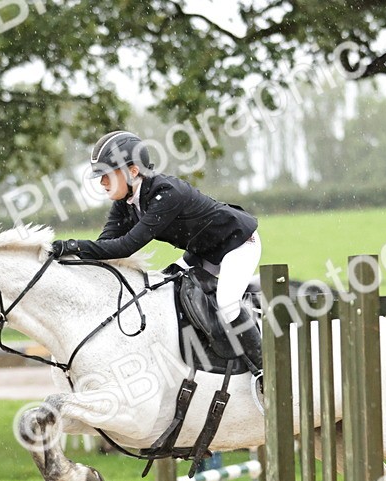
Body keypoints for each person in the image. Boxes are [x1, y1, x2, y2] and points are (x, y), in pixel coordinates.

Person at [50, 131, 263, 381]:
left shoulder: (166, 194)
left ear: (132, 171)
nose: (102, 183)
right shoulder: (125, 202)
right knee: (163, 290)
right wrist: (71, 259)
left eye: (107, 174)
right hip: (202, 253)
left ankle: (265, 370)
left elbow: (126, 247)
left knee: (227, 305)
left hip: (238, 243)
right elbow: (105, 244)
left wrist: (73, 245)